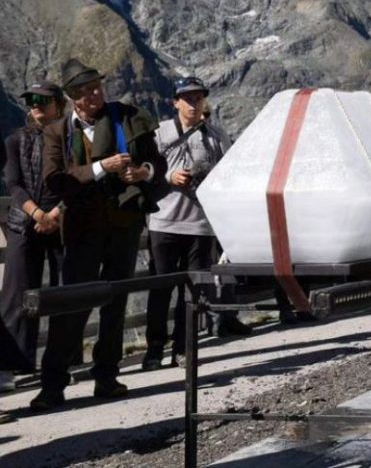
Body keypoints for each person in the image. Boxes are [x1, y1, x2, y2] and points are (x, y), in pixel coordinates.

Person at [30, 59, 166, 411]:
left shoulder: (126, 117)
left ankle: (107, 376)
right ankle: (53, 382)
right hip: (82, 229)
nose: (95, 94)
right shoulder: (57, 132)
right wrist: (101, 168)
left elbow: (157, 162)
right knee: (73, 303)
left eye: (97, 87)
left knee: (115, 302)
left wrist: (144, 172)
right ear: (73, 98)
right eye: (86, 91)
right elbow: (55, 180)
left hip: (123, 224)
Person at [141, 76, 250, 371]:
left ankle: (183, 348)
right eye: (187, 98)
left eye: (197, 97)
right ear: (175, 102)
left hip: (201, 226)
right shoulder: (159, 133)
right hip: (164, 222)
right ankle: (153, 350)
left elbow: (229, 172)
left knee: (192, 292)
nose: (193, 103)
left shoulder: (216, 135)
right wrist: (169, 177)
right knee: (160, 289)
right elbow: (144, 170)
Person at [1, 83, 65, 388]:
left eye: (43, 100)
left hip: (62, 222)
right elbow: (13, 184)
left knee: (64, 293)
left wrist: (56, 213)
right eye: (31, 100)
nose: (36, 104)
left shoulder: (70, 138)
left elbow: (77, 178)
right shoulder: (15, 140)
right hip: (23, 224)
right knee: (16, 297)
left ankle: (61, 361)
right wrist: (39, 214)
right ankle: (11, 365)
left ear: (57, 105)